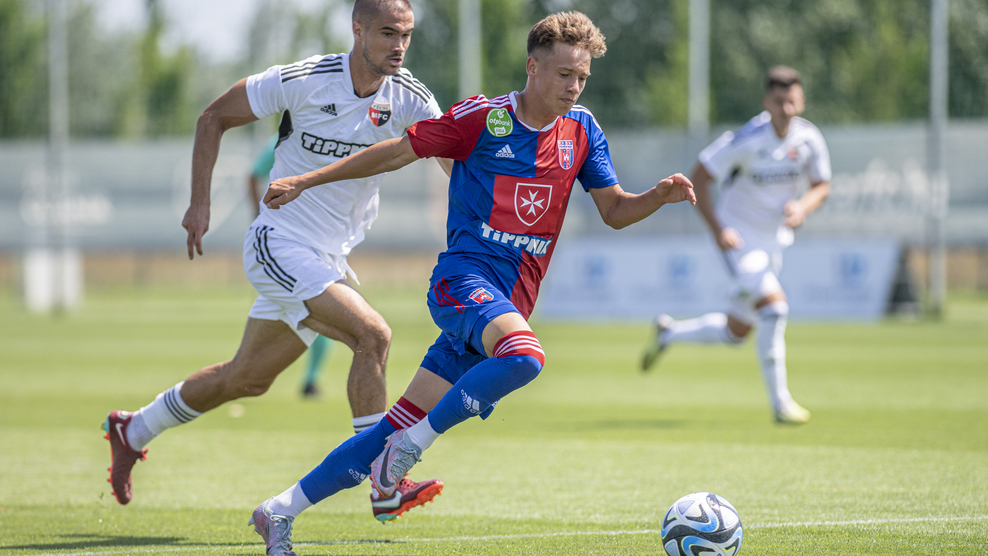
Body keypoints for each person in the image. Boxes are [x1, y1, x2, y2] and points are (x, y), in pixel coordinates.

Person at [246, 12, 696, 555]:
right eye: (564, 74)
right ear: (532, 67)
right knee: (525, 358)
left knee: (386, 430)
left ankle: (279, 510)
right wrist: (307, 179)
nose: (574, 87)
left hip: (505, 304)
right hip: (462, 282)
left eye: (582, 77)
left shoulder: (582, 130)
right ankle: (407, 451)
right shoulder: (483, 118)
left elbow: (615, 210)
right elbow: (397, 150)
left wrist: (657, 197)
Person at [102, 0, 453, 525]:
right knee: (373, 335)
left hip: (329, 257)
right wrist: (200, 203)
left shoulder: (411, 98)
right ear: (357, 30)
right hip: (279, 242)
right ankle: (384, 479)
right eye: (387, 33)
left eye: (405, 34)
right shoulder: (305, 79)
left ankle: (133, 429)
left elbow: (451, 158)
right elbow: (213, 116)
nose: (399, 46)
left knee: (246, 379)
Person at [640, 66, 831, 425]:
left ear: (802, 101)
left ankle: (669, 333)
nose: (786, 109)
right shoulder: (747, 139)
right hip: (739, 240)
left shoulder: (809, 139)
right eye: (779, 102)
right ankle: (781, 404)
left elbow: (822, 185)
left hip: (773, 242)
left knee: (736, 332)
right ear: (766, 102)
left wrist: (802, 207)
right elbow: (699, 176)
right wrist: (718, 229)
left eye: (792, 101)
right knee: (775, 309)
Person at [248, 136, 334, 398]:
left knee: (329, 311)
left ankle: (309, 379)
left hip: (321, 239)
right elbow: (253, 175)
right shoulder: (284, 139)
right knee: (325, 311)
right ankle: (249, 373)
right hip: (285, 242)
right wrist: (259, 214)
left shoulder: (333, 138)